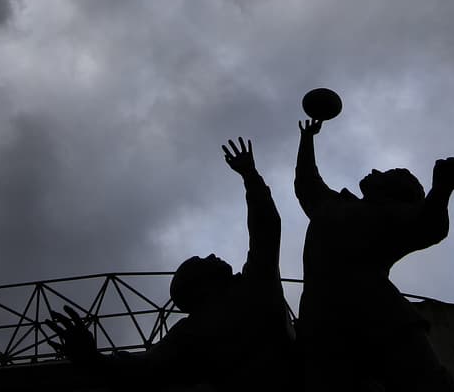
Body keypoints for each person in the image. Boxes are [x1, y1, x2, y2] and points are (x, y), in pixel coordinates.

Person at [45, 137, 292, 391]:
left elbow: (142, 367)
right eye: (201, 261)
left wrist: (94, 360)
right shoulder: (250, 288)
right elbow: (266, 228)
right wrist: (250, 175)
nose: (211, 256)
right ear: (199, 286)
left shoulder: (192, 330)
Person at [294, 115, 454, 392]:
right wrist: (307, 139)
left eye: (385, 174)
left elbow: (429, 226)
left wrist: (442, 189)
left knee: (424, 383)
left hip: (379, 315)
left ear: (394, 192)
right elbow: (306, 181)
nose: (375, 171)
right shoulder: (331, 204)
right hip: (324, 318)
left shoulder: (393, 213)